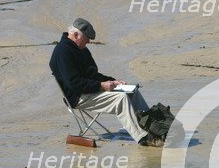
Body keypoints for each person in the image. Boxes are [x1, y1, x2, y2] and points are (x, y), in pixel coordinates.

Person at [49, 18, 162, 147]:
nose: (88, 42)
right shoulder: (63, 52)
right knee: (121, 98)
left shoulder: (80, 48)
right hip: (78, 96)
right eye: (87, 38)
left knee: (132, 91)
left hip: (89, 90)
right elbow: (74, 83)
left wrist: (113, 81)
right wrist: (101, 85)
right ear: (75, 35)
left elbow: (93, 75)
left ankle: (153, 126)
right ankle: (143, 137)